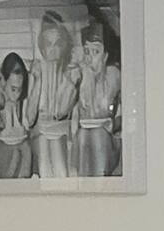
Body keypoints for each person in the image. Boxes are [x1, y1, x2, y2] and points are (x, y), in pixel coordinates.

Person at [29, 10, 82, 180]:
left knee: (59, 165)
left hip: (60, 132)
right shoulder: (37, 70)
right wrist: (37, 82)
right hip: (40, 132)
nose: (52, 49)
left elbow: (60, 112)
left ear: (64, 45)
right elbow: (30, 119)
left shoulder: (70, 73)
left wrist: (68, 83)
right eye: (48, 44)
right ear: (42, 46)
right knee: (45, 160)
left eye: (57, 43)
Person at [74, 13, 122, 177]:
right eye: (87, 51)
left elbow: (102, 108)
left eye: (95, 51)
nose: (90, 57)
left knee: (97, 136)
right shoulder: (82, 75)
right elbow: (84, 110)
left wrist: (114, 124)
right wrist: (87, 76)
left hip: (109, 137)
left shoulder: (113, 74)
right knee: (82, 136)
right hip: (86, 136)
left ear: (105, 55)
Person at [0, 51, 36, 179]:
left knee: (25, 149)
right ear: (4, 81)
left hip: (11, 144)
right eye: (13, 89)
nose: (16, 95)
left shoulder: (19, 98)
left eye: (19, 89)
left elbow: (25, 124)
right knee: (15, 154)